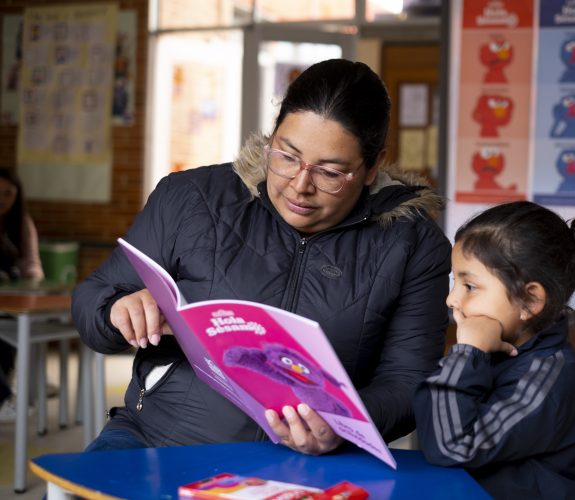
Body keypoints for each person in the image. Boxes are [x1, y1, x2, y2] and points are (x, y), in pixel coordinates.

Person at [72, 58, 452, 453]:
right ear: (272, 136)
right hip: (157, 441)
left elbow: (410, 382)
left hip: (310, 463)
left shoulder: (412, 246)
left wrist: (339, 424)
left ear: (372, 167)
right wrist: (116, 311)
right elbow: (93, 298)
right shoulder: (191, 198)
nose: (299, 186)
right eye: (287, 156)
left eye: (330, 172)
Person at [414, 201, 575, 499]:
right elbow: (432, 430)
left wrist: (466, 353)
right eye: (455, 281)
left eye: (470, 286)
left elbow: (451, 446)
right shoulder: (495, 349)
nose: (451, 299)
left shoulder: (545, 379)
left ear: (529, 301)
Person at [0, 168, 44, 422]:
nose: (2, 199)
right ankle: (3, 397)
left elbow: (33, 264)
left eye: (8, 194)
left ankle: (4, 395)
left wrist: (28, 276)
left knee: (7, 336)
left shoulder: (21, 222)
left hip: (13, 300)